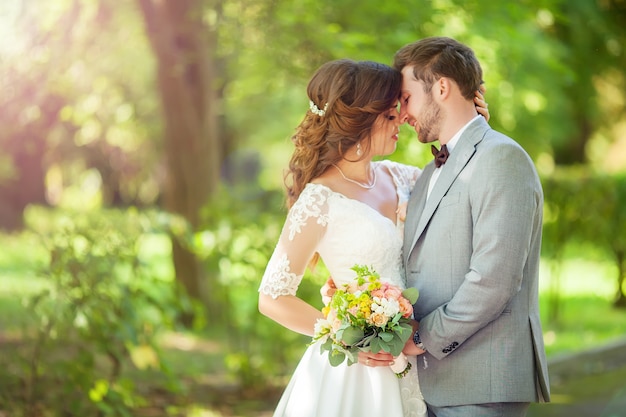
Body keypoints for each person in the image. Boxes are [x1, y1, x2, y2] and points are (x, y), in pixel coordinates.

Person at [258, 58, 489, 417]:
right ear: (360, 119)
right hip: (358, 374)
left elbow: (468, 195)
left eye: (400, 109)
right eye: (390, 113)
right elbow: (272, 298)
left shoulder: (404, 177)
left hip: (421, 359)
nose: (402, 120)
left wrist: (475, 126)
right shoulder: (319, 200)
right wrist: (343, 332)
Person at [393, 36, 550, 417]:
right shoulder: (430, 173)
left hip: (483, 382)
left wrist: (420, 337)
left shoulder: (501, 158)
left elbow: (494, 279)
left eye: (407, 97)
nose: (401, 113)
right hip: (430, 384)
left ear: (442, 87)